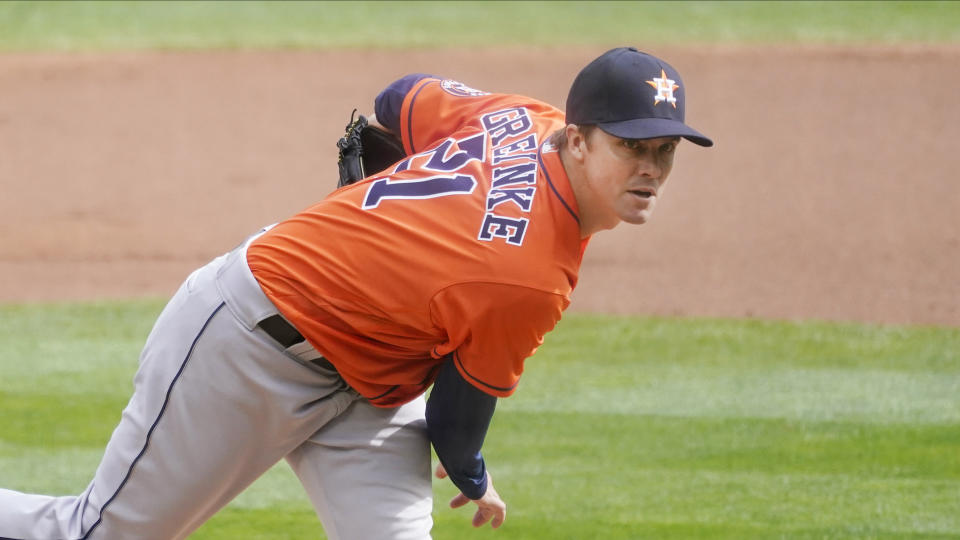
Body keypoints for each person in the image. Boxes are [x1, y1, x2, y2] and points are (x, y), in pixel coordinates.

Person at [0, 46, 712, 539]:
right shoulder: (525, 278)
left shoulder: (523, 118)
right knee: (101, 533)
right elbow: (458, 427)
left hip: (370, 383)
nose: (649, 169)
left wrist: (411, 216)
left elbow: (399, 97)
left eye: (662, 151)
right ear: (581, 141)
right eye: (630, 147)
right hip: (249, 341)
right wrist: (474, 475)